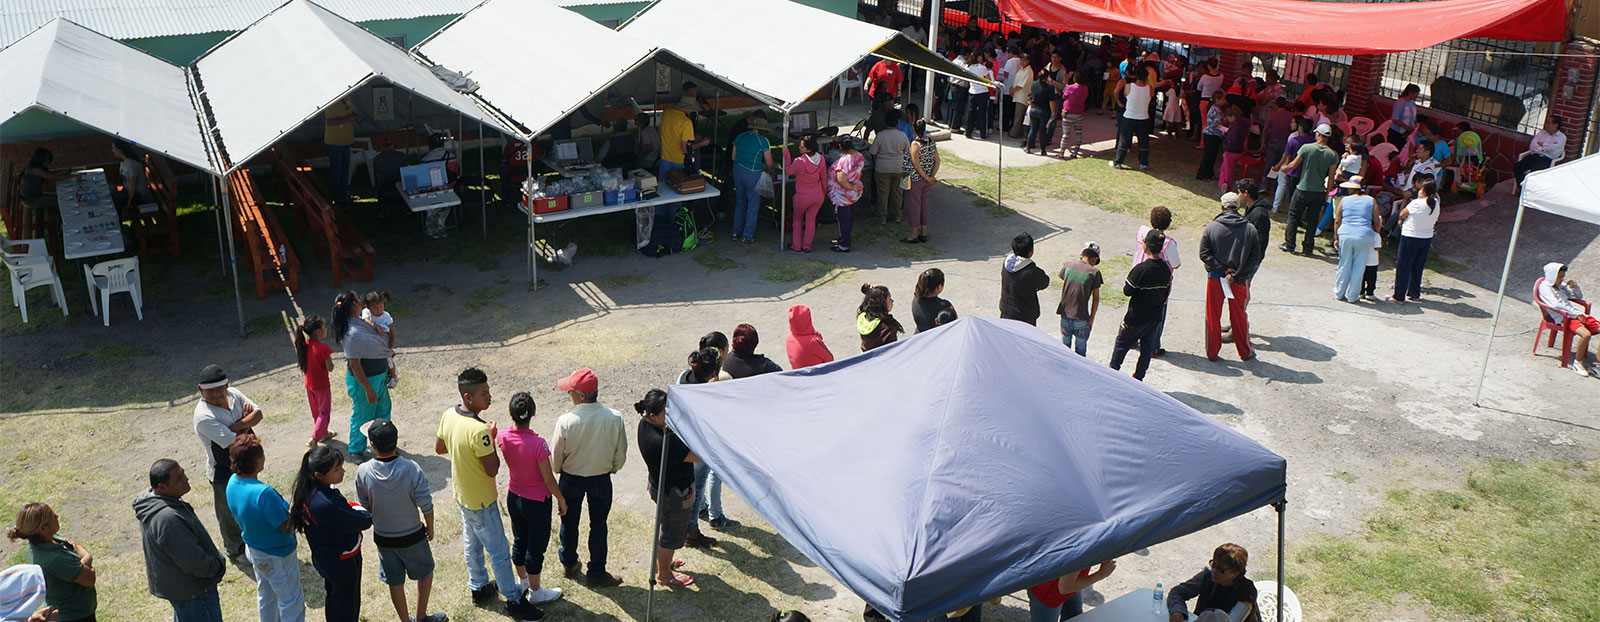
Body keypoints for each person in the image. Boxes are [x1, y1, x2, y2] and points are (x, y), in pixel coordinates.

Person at [434, 368, 546, 618]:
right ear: (468, 397)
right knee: (498, 551)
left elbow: (440, 447)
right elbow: (493, 469)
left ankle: (479, 586)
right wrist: (491, 439)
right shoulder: (480, 431)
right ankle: (514, 599)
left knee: (471, 542)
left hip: (462, 495)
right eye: (484, 393)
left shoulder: (449, 415)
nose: (490, 397)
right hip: (482, 500)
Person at [355, 421, 448, 622]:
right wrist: (430, 527)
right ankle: (421, 617)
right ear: (396, 440)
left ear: (372, 444)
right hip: (413, 536)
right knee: (425, 573)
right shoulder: (411, 467)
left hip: (384, 538)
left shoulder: (363, 471)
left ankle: (405, 621)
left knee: (394, 582)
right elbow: (426, 503)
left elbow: (363, 509)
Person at [550, 368, 628, 589]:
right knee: (599, 525)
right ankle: (596, 571)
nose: (569, 395)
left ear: (581, 396)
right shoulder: (614, 418)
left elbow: (556, 455)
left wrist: (559, 471)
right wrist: (611, 468)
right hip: (600, 479)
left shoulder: (566, 421)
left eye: (571, 392)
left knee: (569, 521)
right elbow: (620, 452)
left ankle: (569, 562)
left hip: (571, 478)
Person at [134, 459, 226, 622]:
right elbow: (194, 562)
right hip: (193, 591)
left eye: (183, 473)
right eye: (178, 478)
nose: (186, 479)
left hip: (183, 589)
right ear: (161, 487)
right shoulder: (168, 519)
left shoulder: (157, 501)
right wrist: (217, 566)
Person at [225, 434, 305, 622]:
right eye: (261, 455)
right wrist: (297, 511)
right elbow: (286, 525)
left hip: (254, 549)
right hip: (277, 555)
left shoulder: (232, 483)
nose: (264, 458)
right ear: (255, 460)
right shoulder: (263, 493)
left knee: (267, 596)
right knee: (291, 602)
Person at [498, 394, 568, 605]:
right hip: (536, 502)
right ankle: (536, 592)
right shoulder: (538, 444)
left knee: (520, 540)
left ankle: (524, 581)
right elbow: (548, 479)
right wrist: (561, 499)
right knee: (536, 547)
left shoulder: (502, 437)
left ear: (511, 414)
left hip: (514, 497)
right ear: (533, 413)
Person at [290, 445, 371, 622]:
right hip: (342, 561)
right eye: (337, 469)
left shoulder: (308, 490)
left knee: (334, 597)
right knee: (347, 605)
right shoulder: (327, 503)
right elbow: (363, 521)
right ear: (319, 474)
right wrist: (362, 510)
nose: (342, 471)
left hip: (324, 558)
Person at [192, 364, 259, 567]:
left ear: (227, 386)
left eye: (218, 389)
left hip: (245, 460)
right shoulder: (203, 416)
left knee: (247, 503)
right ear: (200, 390)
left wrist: (237, 425)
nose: (214, 394)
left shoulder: (234, 394)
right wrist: (246, 422)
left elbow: (259, 414)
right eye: (208, 391)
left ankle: (251, 542)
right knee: (228, 511)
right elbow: (232, 443)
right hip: (222, 469)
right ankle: (235, 550)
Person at [634, 389, 700, 588]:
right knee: (672, 535)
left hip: (659, 487)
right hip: (675, 494)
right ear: (653, 415)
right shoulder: (667, 442)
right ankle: (664, 574)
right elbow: (697, 455)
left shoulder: (644, 425)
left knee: (665, 527)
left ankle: (662, 563)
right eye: (666, 411)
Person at [1200, 192, 1263, 361]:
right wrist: (1236, 274)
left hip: (1215, 277)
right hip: (1239, 279)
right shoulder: (1250, 229)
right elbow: (1254, 257)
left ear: (1222, 207)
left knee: (1213, 315)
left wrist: (1221, 269)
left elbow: (1204, 254)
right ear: (1238, 207)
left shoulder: (1211, 227)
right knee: (1239, 316)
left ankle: (1212, 352)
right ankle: (1245, 351)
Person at [7, 505, 93, 622]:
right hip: (75, 615)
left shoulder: (39, 544)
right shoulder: (55, 559)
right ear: (43, 528)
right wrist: (87, 556)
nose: (57, 516)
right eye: (52, 516)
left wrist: (81, 563)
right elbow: (89, 578)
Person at [333, 291, 391, 462]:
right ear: (353, 305)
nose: (361, 302)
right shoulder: (352, 332)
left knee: (383, 410)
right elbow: (355, 364)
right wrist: (368, 389)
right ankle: (356, 449)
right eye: (358, 300)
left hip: (378, 375)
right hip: (365, 381)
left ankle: (384, 444)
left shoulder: (361, 323)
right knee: (363, 414)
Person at [1111, 230, 1173, 381]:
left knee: (1121, 345)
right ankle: (1138, 379)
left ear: (1146, 246)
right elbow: (1166, 292)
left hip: (1135, 318)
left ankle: (1112, 375)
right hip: (1153, 318)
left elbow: (1127, 291)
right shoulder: (1166, 269)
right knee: (1146, 350)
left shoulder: (1140, 269)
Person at [1279, 124, 1340, 256]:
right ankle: (1308, 248)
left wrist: (1284, 168)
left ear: (1318, 134)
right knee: (1312, 221)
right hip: (1318, 191)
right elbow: (1331, 178)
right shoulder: (1333, 155)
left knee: (1294, 216)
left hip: (1303, 188)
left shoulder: (1307, 148)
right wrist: (1327, 193)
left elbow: (1293, 165)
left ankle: (1290, 244)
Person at [1167, 544, 1260, 622]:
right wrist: (1177, 611)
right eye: (1213, 564)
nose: (1214, 570)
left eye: (1221, 570)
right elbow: (1177, 592)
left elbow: (1233, 619)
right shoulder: (1207, 577)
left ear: (1235, 573)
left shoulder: (1247, 591)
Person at [1538, 263, 1600, 377]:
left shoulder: (1560, 286)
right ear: (1553, 275)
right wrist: (1576, 315)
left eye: (1562, 276)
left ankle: (1596, 364)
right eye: (1560, 276)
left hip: (1575, 314)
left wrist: (1575, 287)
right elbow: (1556, 305)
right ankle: (1578, 363)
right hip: (1564, 318)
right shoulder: (1545, 287)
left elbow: (1577, 297)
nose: (1562, 279)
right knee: (1586, 335)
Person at [1134, 207, 1181, 356]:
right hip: (1158, 285)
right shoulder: (1168, 244)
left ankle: (1132, 339)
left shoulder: (1142, 231)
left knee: (1135, 310)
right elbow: (1176, 264)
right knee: (1157, 316)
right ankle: (1153, 346)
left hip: (1139, 278)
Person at [1389, 180, 1439, 305]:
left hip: (1411, 236)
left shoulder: (1417, 203)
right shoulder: (1436, 203)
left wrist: (1406, 201)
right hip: (1426, 237)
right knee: (1418, 267)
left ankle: (1399, 295)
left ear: (1422, 190)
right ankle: (1414, 293)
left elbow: (1402, 213)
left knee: (1403, 266)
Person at [1332, 179, 1378, 304]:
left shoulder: (1344, 200)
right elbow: (1377, 221)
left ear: (1352, 188)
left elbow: (1337, 220)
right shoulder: (1371, 200)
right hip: (1363, 235)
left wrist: (1336, 238)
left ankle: (1339, 292)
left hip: (1345, 234)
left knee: (1344, 264)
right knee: (1359, 265)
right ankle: (1353, 296)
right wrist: (1377, 234)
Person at [731, 117, 774, 247]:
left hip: (737, 170)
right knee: (752, 206)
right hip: (753, 173)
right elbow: (769, 162)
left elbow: (733, 157)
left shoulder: (740, 136)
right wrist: (767, 169)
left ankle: (735, 232)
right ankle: (747, 236)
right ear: (763, 130)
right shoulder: (763, 141)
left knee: (740, 202)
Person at [1057, 242, 1104, 357]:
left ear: (1081, 255)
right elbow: (1096, 299)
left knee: (1064, 350)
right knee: (1080, 353)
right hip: (1081, 318)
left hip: (1065, 315)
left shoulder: (1067, 266)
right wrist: (1091, 319)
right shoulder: (1094, 273)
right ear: (1095, 259)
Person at [1028, 560, 1116, 621]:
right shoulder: (1082, 546)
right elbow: (1065, 588)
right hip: (1048, 592)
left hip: (1071, 581)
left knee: (1075, 616)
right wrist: (1100, 574)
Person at [999, 232, 1052, 325]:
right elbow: (1044, 282)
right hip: (1025, 318)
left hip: (1006, 312)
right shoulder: (1033, 272)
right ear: (1031, 251)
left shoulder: (1006, 263)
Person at [788, 136, 829, 251]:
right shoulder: (821, 159)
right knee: (811, 220)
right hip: (817, 195)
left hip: (802, 196)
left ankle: (796, 245)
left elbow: (788, 171)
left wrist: (786, 156)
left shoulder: (799, 161)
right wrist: (824, 192)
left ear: (808, 149)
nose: (800, 147)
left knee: (797, 219)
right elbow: (823, 178)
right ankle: (807, 245)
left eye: (802, 146)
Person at [1109, 67, 1154, 170]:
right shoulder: (1150, 88)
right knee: (1143, 141)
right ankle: (1143, 163)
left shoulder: (1129, 86)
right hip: (1143, 117)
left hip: (1129, 116)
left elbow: (1125, 95)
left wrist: (1120, 103)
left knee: (1124, 140)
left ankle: (1118, 161)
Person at [870, 110, 910, 225]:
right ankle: (897, 215)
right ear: (897, 122)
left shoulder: (880, 135)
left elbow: (873, 152)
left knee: (883, 193)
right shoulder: (902, 135)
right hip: (899, 168)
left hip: (882, 168)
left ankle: (882, 217)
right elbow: (907, 151)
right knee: (898, 193)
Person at [828, 138, 867, 253]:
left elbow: (841, 179)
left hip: (842, 194)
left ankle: (844, 244)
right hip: (852, 192)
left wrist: (850, 187)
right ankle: (844, 238)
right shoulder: (859, 156)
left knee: (843, 218)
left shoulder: (844, 160)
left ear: (840, 146)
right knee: (848, 217)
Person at [1270, 117, 1314, 213]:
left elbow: (1287, 155)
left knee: (1287, 192)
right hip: (1305, 172)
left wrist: (1283, 167)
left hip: (1293, 171)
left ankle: (1279, 208)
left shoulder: (1293, 140)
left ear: (1300, 127)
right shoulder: (1313, 142)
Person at [1513, 116, 1567, 192]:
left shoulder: (1561, 137)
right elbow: (1533, 145)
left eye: (1548, 123)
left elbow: (1555, 150)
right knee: (1518, 167)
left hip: (1547, 159)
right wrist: (1545, 147)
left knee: (1534, 173)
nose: (1546, 125)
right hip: (1535, 156)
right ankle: (1523, 188)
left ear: (1556, 125)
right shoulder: (1542, 133)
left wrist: (1541, 145)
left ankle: (1529, 191)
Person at [17, 148, 70, 222]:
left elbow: (50, 176)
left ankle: (58, 218)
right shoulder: (35, 170)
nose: (47, 162)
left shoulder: (32, 167)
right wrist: (72, 177)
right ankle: (60, 220)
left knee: (60, 197)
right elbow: (53, 177)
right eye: (46, 160)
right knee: (61, 200)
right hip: (32, 200)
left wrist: (63, 173)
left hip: (34, 196)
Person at [323, 97, 359, 204]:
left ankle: (344, 194)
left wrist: (355, 117)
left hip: (346, 140)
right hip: (334, 142)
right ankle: (337, 198)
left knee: (345, 171)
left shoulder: (349, 99)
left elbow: (350, 113)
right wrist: (348, 119)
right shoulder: (331, 101)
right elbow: (329, 121)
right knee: (337, 171)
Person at [361, 291, 399, 388]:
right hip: (371, 339)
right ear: (367, 307)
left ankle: (394, 376)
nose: (378, 310)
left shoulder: (386, 316)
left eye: (381, 307)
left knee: (388, 359)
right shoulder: (366, 312)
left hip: (383, 340)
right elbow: (366, 320)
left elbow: (392, 330)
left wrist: (392, 343)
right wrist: (375, 326)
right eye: (375, 308)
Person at [858, 283, 905, 351]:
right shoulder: (887, 328)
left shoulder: (862, 318)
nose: (892, 301)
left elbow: (863, 307)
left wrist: (872, 292)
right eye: (889, 299)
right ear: (882, 303)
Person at [786, 305, 834, 369]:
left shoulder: (788, 338)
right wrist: (815, 334)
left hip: (798, 375)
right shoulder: (813, 341)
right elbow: (830, 359)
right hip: (816, 375)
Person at [110, 140, 150, 218]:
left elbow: (133, 185)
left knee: (116, 201)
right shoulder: (123, 162)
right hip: (127, 190)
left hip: (138, 195)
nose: (112, 150)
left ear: (120, 150)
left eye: (114, 148)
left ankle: (119, 222)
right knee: (111, 195)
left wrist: (129, 202)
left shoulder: (132, 164)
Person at [1023, 65, 1057, 154]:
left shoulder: (1034, 84)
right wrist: (1053, 112)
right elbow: (1051, 101)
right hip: (1044, 111)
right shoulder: (1049, 88)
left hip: (1033, 109)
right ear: (1047, 77)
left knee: (1033, 129)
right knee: (1042, 131)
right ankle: (1043, 150)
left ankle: (1028, 147)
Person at [1218, 106, 1251, 193]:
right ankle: (1223, 185)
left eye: (1229, 117)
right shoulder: (1244, 124)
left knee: (1227, 171)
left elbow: (1232, 139)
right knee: (1224, 169)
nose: (1228, 120)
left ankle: (1226, 188)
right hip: (1239, 150)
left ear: (1233, 116)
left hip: (1231, 150)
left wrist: (1225, 135)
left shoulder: (1236, 126)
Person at [1194, 93, 1226, 181]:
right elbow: (1217, 123)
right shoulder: (1215, 110)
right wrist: (1225, 129)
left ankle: (1209, 174)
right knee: (1208, 156)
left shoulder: (1217, 109)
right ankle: (1202, 175)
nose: (1224, 101)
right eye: (1223, 99)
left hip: (1214, 135)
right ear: (1218, 99)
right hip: (1211, 134)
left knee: (1212, 156)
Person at [911, 268, 954, 333]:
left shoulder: (916, 299)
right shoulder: (945, 306)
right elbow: (955, 326)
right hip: (935, 339)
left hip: (919, 337)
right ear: (939, 286)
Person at [1056, 73, 1089, 159]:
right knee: (1078, 133)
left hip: (1068, 112)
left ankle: (1061, 153)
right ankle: (1075, 152)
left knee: (1066, 134)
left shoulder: (1070, 87)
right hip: (1079, 113)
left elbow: (1064, 96)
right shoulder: (1085, 88)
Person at [965, 49, 995, 140]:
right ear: (979, 57)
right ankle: (983, 134)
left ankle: (968, 132)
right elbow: (988, 80)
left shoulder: (968, 67)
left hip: (972, 91)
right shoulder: (982, 68)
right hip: (982, 92)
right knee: (982, 114)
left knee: (970, 113)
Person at [1387, 84, 1421, 148]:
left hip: (1406, 134)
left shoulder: (1413, 104)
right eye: (1416, 94)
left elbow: (1413, 118)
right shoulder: (1400, 103)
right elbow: (1395, 118)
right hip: (1396, 133)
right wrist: (1406, 127)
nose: (1417, 96)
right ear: (1410, 93)